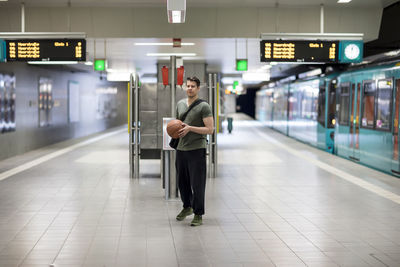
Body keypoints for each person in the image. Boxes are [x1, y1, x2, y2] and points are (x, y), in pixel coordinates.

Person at [175, 76, 214, 226]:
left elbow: (210, 130)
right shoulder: (180, 104)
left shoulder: (204, 106)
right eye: (188, 86)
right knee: (182, 182)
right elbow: (178, 123)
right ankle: (187, 207)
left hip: (197, 149)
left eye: (193, 86)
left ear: (198, 88)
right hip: (181, 149)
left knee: (197, 184)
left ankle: (198, 214)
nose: (190, 88)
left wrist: (191, 128)